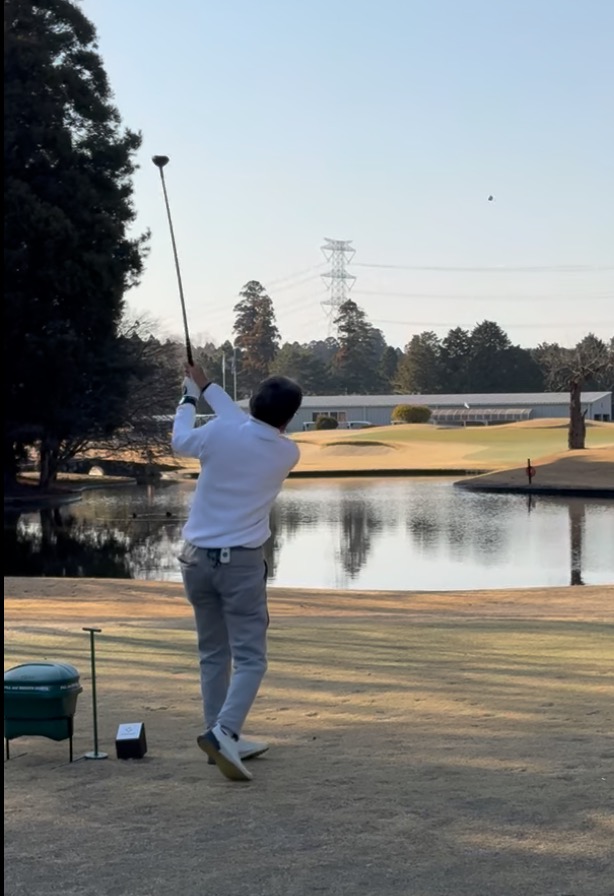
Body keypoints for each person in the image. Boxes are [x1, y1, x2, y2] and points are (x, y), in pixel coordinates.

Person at [171, 364, 303, 781]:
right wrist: (205, 386)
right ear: (287, 420)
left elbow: (182, 439)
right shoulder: (286, 452)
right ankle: (224, 732)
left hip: (195, 560)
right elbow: (244, 424)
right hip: (240, 564)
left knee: (213, 654)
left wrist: (192, 395)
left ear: (253, 404)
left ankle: (221, 736)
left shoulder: (221, 432)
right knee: (251, 659)